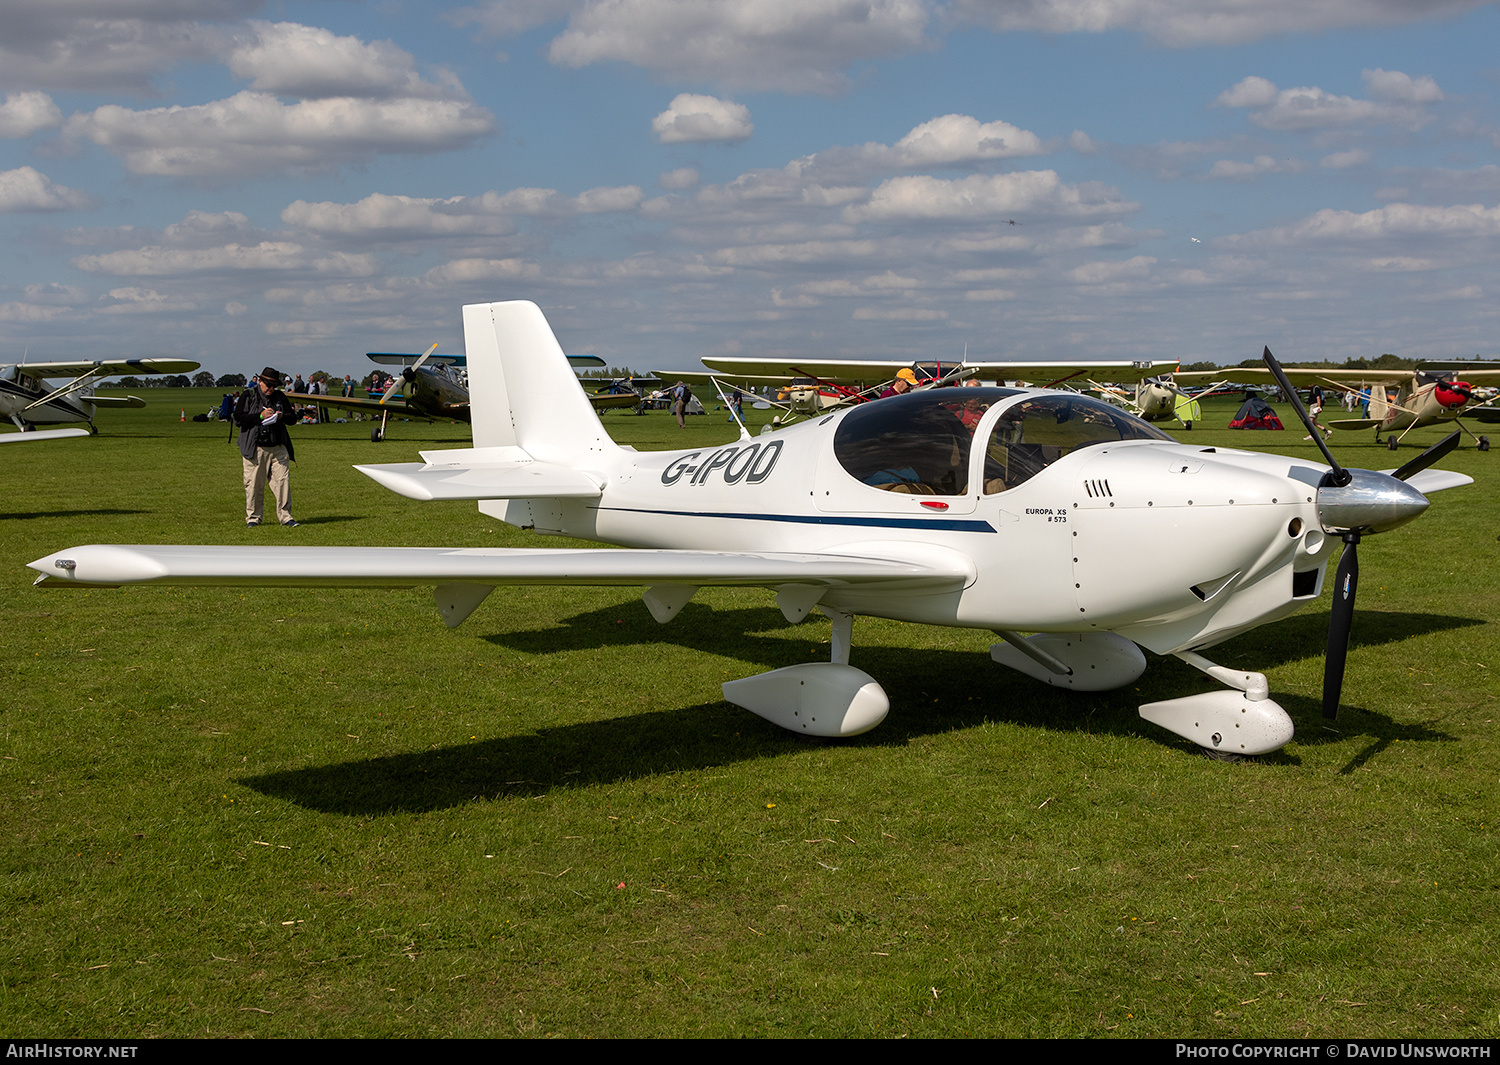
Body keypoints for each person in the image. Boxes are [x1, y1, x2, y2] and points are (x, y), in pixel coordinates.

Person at [235, 366, 299, 527]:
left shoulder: (280, 396)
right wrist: (260, 416)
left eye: (274, 386)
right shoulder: (248, 395)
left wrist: (282, 416)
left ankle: (286, 517)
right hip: (256, 448)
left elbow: (293, 418)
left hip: (278, 446)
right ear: (260, 381)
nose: (271, 389)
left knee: (283, 482)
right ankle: (254, 518)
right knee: (254, 485)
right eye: (268, 385)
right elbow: (238, 418)